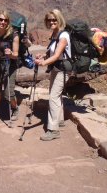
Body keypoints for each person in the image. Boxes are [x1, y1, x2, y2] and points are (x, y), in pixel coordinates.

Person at [34, 9, 71, 141]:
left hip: (63, 69)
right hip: (57, 68)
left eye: (54, 19)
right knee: (56, 94)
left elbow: (56, 55)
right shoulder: (56, 34)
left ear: (59, 19)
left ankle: (53, 130)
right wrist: (43, 55)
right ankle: (59, 120)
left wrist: (42, 63)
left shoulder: (63, 36)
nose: (51, 22)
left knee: (54, 97)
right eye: (49, 20)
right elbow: (52, 51)